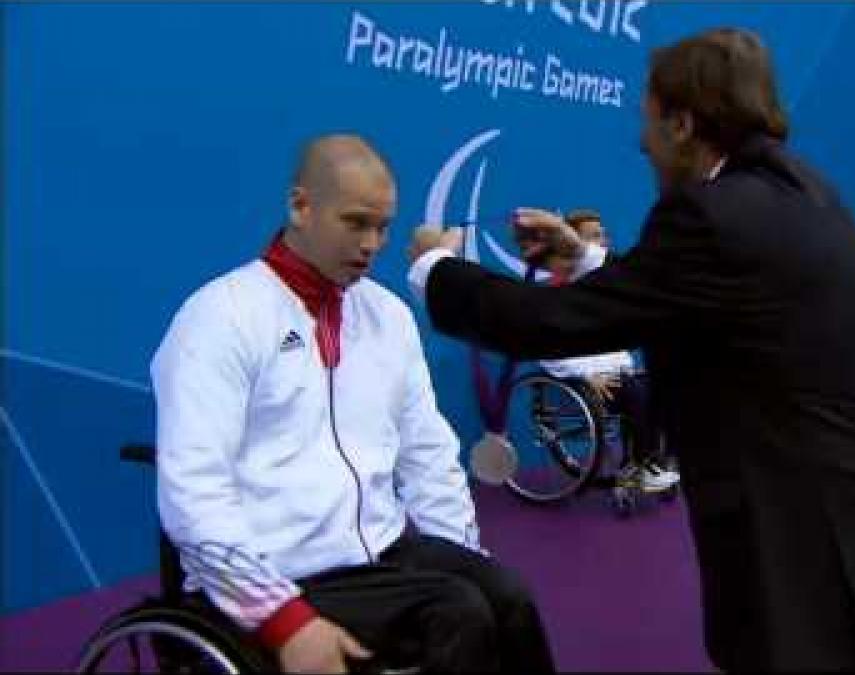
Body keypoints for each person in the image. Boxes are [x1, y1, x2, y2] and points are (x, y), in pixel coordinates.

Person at [409, 28, 855, 673]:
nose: (641, 141)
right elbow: (705, 294)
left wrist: (436, 269)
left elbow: (550, 322)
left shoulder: (710, 215)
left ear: (684, 123)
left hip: (801, 566)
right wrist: (583, 259)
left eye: (649, 120)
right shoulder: (806, 194)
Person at [151, 134, 555, 674]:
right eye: (356, 222)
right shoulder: (220, 317)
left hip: (378, 560)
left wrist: (464, 556)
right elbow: (193, 491)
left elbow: (427, 454)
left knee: (505, 594)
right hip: (279, 572)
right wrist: (283, 619)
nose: (372, 243)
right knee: (459, 614)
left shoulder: (387, 316)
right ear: (300, 206)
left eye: (384, 228)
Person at [539, 209, 678, 491]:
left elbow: (614, 341)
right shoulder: (553, 293)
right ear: (571, 241)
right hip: (582, 384)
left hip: (616, 377)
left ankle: (651, 460)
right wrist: (586, 375)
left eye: (604, 236)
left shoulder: (606, 288)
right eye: (594, 237)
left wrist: (624, 365)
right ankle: (642, 465)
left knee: (660, 383)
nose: (603, 242)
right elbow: (546, 349)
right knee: (634, 389)